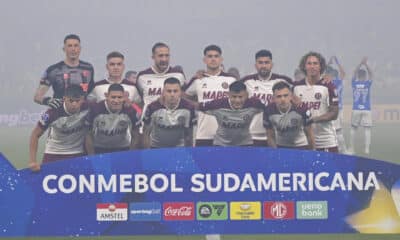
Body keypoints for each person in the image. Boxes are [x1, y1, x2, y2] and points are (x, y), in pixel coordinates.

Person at [184, 44, 237, 146]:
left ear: (221, 59)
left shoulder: (231, 80)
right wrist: (196, 105)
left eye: (216, 56)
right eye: (210, 56)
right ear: (204, 60)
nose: (213, 59)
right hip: (203, 134)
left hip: (226, 135)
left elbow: (241, 100)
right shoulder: (198, 80)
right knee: (203, 162)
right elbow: (183, 96)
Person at [29, 85, 89, 171]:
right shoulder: (52, 112)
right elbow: (35, 134)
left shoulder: (88, 107)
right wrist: (32, 161)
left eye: (77, 101)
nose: (74, 104)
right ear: (64, 98)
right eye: (71, 101)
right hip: (54, 153)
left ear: (82, 99)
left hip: (77, 153)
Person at [241, 49, 293, 146]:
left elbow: (301, 89)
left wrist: (323, 78)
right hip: (252, 136)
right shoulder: (246, 82)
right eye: (260, 63)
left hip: (278, 136)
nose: (263, 66)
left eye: (266, 62)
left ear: (271, 65)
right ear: (255, 65)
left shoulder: (284, 81)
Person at [293, 52, 339, 152]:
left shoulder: (329, 86)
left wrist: (313, 119)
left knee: (330, 168)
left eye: (315, 63)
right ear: (304, 67)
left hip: (325, 140)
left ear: (320, 66)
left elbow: (334, 114)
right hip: (303, 141)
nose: (312, 66)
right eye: (309, 63)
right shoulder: (295, 87)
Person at [34, 34, 94, 109]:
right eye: (70, 46)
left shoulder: (88, 68)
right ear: (64, 49)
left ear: (80, 48)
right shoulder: (53, 70)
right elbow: (37, 97)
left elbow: (91, 92)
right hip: (60, 116)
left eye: (76, 46)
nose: (73, 49)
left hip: (82, 115)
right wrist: (48, 101)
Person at [197, 81, 264, 146]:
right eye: (234, 97)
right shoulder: (218, 105)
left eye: (240, 97)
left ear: (246, 95)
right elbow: (198, 106)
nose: (237, 101)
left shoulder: (254, 104)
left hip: (245, 144)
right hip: (221, 144)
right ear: (228, 95)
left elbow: (268, 110)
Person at [85, 84, 140, 154]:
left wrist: (130, 154)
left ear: (124, 97)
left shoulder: (131, 111)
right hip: (100, 148)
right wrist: (92, 157)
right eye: (113, 97)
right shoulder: (95, 109)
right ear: (106, 96)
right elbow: (88, 135)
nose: (116, 101)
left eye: (119, 97)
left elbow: (136, 135)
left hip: (123, 148)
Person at [142, 78, 195, 148]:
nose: (172, 94)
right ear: (163, 92)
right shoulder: (152, 107)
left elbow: (189, 135)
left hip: (179, 149)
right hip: (156, 148)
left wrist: (189, 152)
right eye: (169, 91)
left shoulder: (188, 108)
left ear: (180, 92)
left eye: (175, 91)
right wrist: (148, 154)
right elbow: (146, 133)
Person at [136, 42, 186, 114]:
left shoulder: (178, 75)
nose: (164, 59)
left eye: (167, 56)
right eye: (160, 56)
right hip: (149, 122)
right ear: (153, 57)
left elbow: (185, 97)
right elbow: (139, 100)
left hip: (173, 121)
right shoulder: (142, 76)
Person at [263, 81, 315, 149]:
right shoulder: (269, 110)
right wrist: (275, 153)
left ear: (291, 96)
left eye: (285, 95)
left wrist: (312, 153)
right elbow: (270, 136)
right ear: (274, 98)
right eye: (279, 96)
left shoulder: (302, 109)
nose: (283, 99)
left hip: (301, 146)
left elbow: (310, 135)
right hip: (280, 147)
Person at [348, 57, 374, 155]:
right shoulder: (367, 83)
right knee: (367, 129)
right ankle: (367, 149)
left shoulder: (354, 83)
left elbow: (354, 73)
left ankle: (351, 148)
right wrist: (366, 64)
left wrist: (360, 64)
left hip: (356, 109)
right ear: (365, 76)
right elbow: (371, 74)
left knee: (353, 128)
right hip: (367, 109)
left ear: (358, 76)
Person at [326, 56, 347, 153]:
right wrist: (337, 62)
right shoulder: (339, 82)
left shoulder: (331, 82)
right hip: (338, 108)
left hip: (334, 109)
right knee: (337, 130)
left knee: (336, 131)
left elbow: (320, 73)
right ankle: (342, 150)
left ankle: (342, 150)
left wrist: (329, 63)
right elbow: (343, 73)